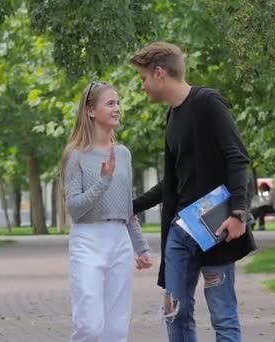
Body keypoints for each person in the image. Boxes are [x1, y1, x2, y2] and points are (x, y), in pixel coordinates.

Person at [130, 42, 256, 342]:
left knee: (223, 316)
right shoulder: (172, 118)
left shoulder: (208, 102)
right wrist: (134, 205)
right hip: (180, 233)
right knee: (175, 311)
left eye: (144, 78)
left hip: (215, 228)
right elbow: (171, 183)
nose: (144, 87)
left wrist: (239, 213)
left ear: (159, 73)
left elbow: (237, 157)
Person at [58, 81, 153, 342]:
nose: (117, 109)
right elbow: (75, 209)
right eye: (110, 103)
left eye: (118, 103)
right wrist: (103, 181)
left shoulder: (123, 154)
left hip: (119, 242)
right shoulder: (76, 155)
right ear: (90, 111)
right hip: (88, 241)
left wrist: (141, 247)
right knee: (89, 327)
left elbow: (127, 207)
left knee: (116, 330)